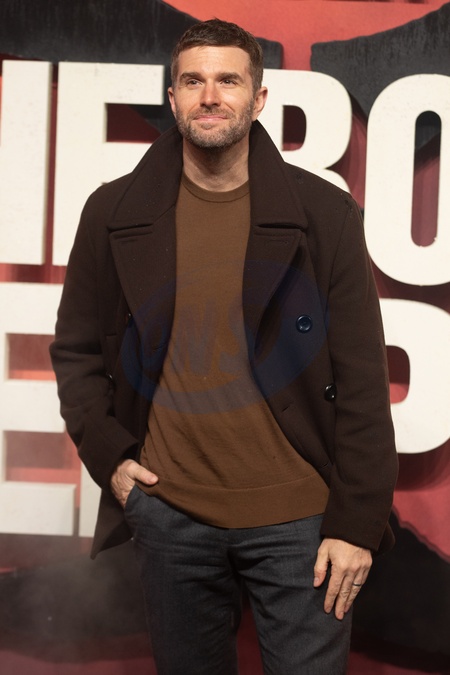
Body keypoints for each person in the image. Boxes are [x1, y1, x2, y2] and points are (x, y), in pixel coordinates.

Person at [50, 18, 398, 675]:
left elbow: (361, 379)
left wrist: (356, 526)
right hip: (170, 514)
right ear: (173, 97)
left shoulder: (325, 215)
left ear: (258, 98)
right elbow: (76, 352)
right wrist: (112, 458)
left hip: (301, 523)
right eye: (193, 81)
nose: (210, 96)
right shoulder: (113, 211)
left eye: (228, 81)